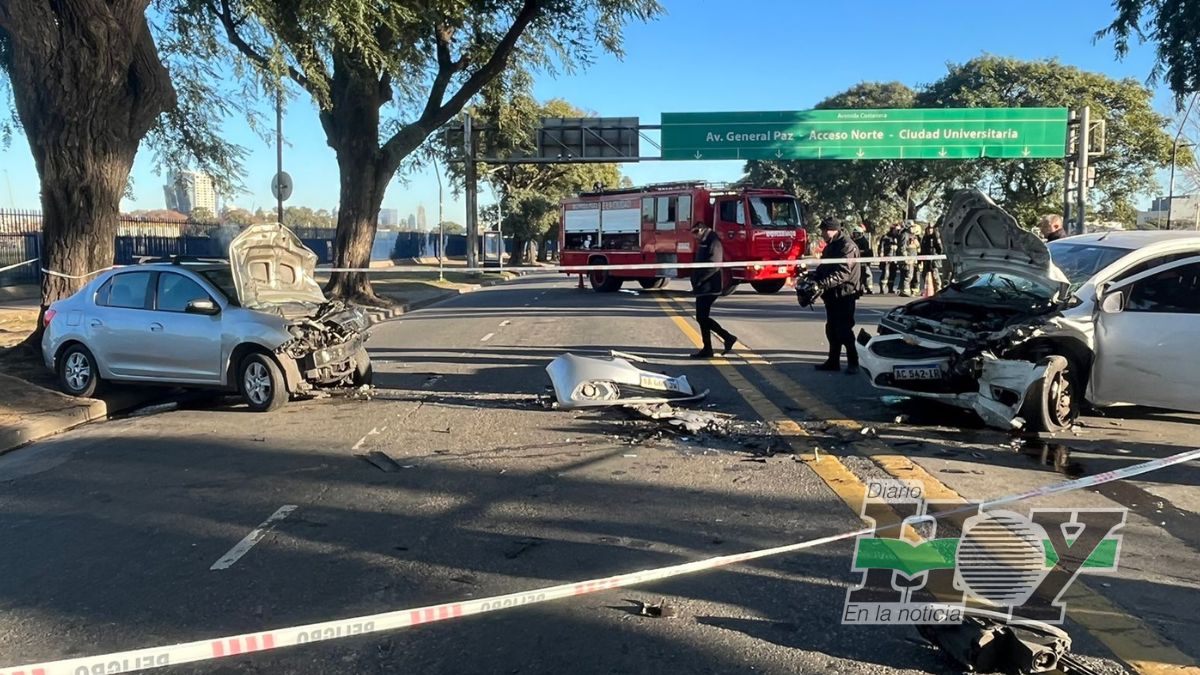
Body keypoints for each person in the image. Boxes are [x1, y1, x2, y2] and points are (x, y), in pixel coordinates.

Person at [801, 217, 861, 374]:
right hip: (832, 294)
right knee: (831, 329)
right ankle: (833, 361)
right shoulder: (831, 246)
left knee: (844, 329)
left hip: (845, 294)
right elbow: (825, 267)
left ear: (832, 230)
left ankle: (853, 362)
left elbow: (843, 273)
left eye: (823, 230)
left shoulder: (847, 246)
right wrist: (812, 276)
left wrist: (821, 284)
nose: (821, 234)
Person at [689, 221, 737, 358]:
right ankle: (708, 347)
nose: (694, 237)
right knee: (702, 317)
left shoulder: (713, 242)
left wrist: (699, 280)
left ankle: (727, 337)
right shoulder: (705, 241)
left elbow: (713, 265)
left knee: (702, 317)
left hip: (709, 287)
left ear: (702, 229)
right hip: (703, 287)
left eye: (695, 233)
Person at [918, 224, 943, 294]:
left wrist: (937, 255)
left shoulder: (935, 237)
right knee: (924, 275)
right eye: (928, 229)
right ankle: (924, 290)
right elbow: (922, 249)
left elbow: (940, 249)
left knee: (935, 275)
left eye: (931, 229)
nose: (929, 230)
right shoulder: (925, 238)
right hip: (926, 260)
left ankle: (938, 289)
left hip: (934, 260)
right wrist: (920, 259)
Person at [850, 224, 874, 295]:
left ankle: (869, 288)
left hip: (863, 261)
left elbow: (867, 251)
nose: (855, 235)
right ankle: (859, 289)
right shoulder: (853, 241)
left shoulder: (864, 241)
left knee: (867, 274)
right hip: (856, 262)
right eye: (854, 234)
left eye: (857, 234)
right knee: (858, 276)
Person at [895, 222, 917, 296]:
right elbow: (902, 248)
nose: (913, 228)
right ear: (908, 227)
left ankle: (901, 290)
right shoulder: (905, 235)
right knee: (908, 275)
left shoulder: (912, 235)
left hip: (911, 259)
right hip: (907, 260)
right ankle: (905, 291)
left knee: (904, 275)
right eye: (911, 227)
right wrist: (906, 259)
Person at [877, 223, 900, 294]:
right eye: (896, 230)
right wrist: (881, 255)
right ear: (892, 229)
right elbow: (881, 247)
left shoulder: (898, 237)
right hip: (887, 258)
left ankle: (890, 288)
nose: (898, 231)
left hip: (894, 258)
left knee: (893, 274)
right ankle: (882, 289)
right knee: (885, 273)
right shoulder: (885, 237)